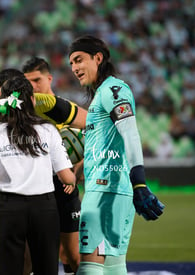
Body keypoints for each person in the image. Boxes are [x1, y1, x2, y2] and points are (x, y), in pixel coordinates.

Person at [68, 35, 165, 275]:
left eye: (79, 60)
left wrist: (140, 182)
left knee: (89, 267)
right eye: (71, 64)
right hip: (117, 191)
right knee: (113, 266)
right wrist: (80, 169)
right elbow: (106, 142)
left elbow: (130, 133)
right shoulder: (103, 95)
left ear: (97, 58)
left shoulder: (113, 89)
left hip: (104, 191)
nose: (74, 68)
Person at [0, 75, 76, 275]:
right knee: (46, 270)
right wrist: (72, 179)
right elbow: (67, 177)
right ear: (32, 100)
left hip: (8, 207)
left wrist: (4, 183)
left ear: (2, 102)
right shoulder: (48, 129)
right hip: (44, 208)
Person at [22, 56, 81, 274]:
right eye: (28, 82)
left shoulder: (66, 110)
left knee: (72, 256)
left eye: (37, 80)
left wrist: (80, 164)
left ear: (49, 78)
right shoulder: (24, 115)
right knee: (29, 257)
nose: (33, 86)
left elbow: (92, 137)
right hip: (34, 191)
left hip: (64, 190)